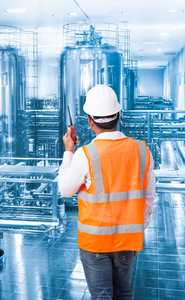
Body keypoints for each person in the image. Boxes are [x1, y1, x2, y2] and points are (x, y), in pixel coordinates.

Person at [58, 84, 155, 300]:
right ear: (118, 115)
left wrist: (68, 152)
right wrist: (138, 228)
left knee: (102, 296)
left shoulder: (85, 154)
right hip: (127, 240)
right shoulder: (141, 150)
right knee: (124, 293)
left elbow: (65, 190)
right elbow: (149, 198)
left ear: (90, 122)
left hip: (95, 243)